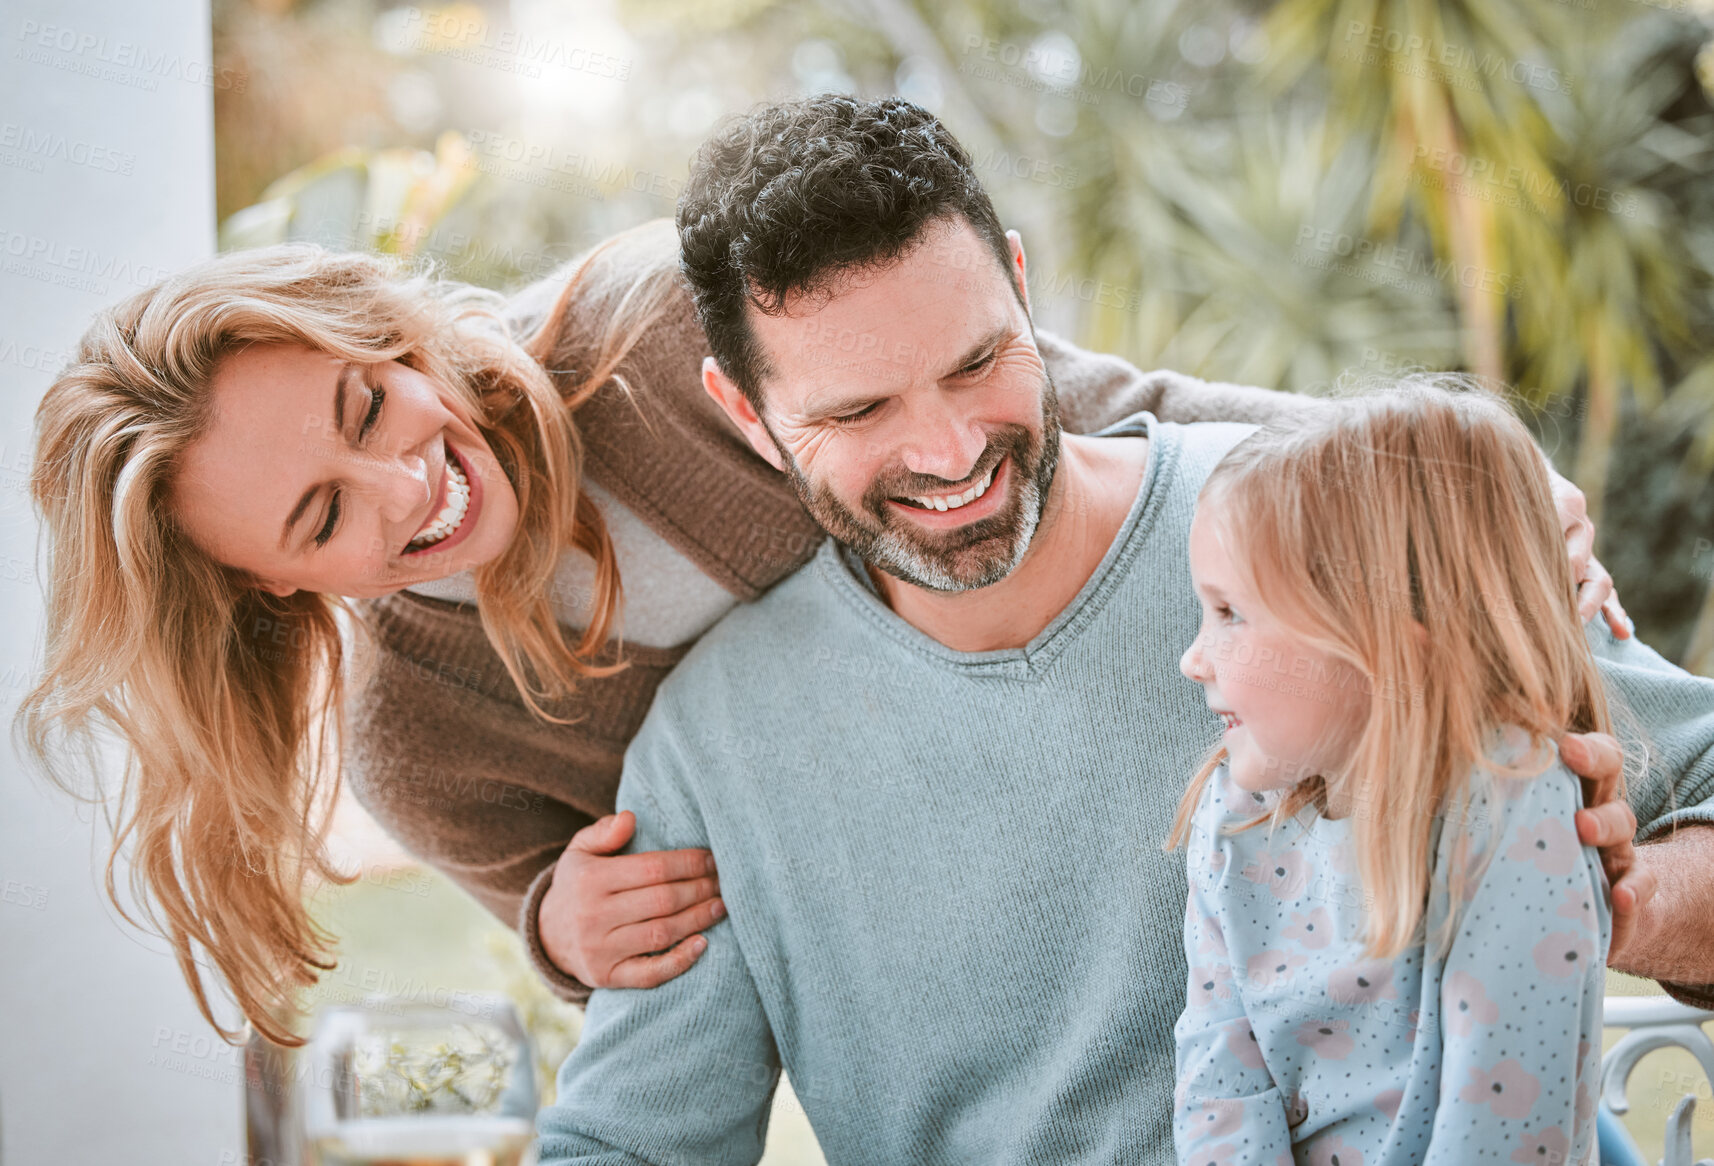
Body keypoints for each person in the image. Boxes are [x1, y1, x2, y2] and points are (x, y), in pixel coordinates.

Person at [531, 96, 1714, 1164]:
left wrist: (1595, 896)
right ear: (746, 412)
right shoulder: (719, 740)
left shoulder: (1338, 540)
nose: (950, 453)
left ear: (1020, 282)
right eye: (859, 410)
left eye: (979, 360)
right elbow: (622, 1141)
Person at [16, 209, 1325, 1045]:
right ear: (257, 583)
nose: (410, 482)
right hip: (1021, 1015)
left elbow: (1103, 417)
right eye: (320, 516)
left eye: (370, 409)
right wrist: (565, 933)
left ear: (387, 338)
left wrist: (1454, 478)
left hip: (1219, 768)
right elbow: (682, 1006)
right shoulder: (423, 744)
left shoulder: (660, 325)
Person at [1169, 381, 1612, 1165]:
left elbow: (1499, 1134)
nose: (1192, 658)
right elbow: (1220, 1089)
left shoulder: (1512, 810)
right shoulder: (1232, 815)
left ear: (1385, 643)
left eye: (1230, 613)